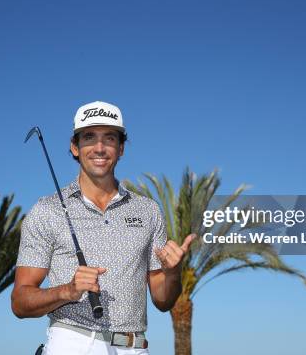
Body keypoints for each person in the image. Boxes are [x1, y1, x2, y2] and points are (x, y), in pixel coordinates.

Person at [12, 100, 196, 355]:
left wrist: (173, 273)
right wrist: (67, 290)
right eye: (89, 137)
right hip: (73, 343)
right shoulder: (46, 210)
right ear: (75, 147)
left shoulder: (148, 210)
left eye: (109, 138)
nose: (99, 148)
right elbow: (20, 302)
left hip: (135, 346)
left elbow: (163, 301)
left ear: (120, 148)